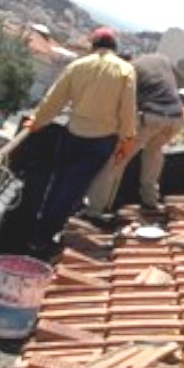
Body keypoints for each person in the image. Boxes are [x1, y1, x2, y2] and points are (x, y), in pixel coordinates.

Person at [27, 27, 137, 250]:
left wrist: (37, 122)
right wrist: (127, 139)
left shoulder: (78, 66)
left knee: (58, 183)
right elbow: (128, 111)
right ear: (114, 48)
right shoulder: (126, 71)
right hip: (101, 140)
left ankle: (40, 231)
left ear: (93, 45)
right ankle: (47, 236)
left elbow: (54, 99)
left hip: (73, 134)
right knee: (74, 188)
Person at [85, 52, 184, 216]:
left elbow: (123, 103)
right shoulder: (161, 58)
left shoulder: (130, 69)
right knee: (154, 152)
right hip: (175, 118)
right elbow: (180, 80)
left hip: (151, 117)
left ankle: (94, 209)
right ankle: (150, 200)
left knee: (116, 162)